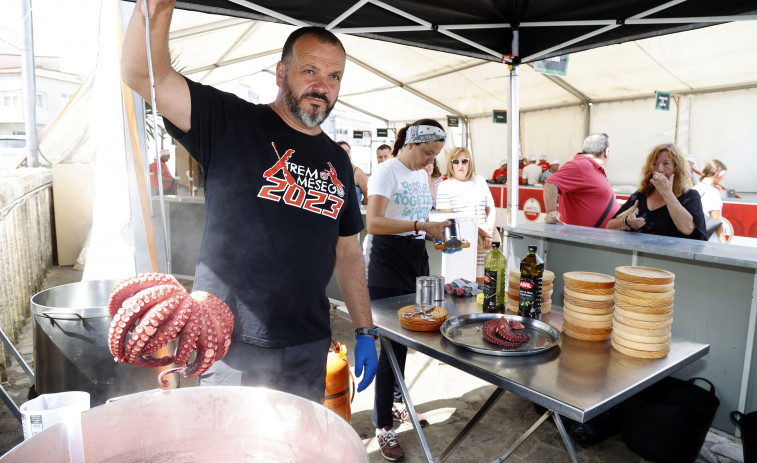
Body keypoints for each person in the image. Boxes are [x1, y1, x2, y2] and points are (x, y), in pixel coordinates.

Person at [122, 1, 377, 403]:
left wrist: (364, 330)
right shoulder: (230, 122)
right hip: (230, 345)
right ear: (281, 73)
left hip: (308, 345)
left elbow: (347, 252)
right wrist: (157, 11)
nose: (322, 86)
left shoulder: (339, 161)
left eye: (334, 76)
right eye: (310, 70)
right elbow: (143, 76)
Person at [365, 119, 449, 461]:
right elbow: (374, 222)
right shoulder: (387, 172)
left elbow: (417, 219)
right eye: (427, 153)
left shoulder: (419, 173)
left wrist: (434, 235)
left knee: (412, 336)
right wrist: (420, 225)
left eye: (435, 156)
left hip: (415, 258)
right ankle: (382, 425)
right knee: (391, 346)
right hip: (386, 264)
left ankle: (398, 403)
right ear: (411, 144)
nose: (430, 161)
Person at [606, 143, 707, 240]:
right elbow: (609, 226)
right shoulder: (642, 194)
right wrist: (627, 222)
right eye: (655, 164)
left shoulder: (690, 196)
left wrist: (667, 193)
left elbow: (688, 228)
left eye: (666, 164)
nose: (660, 169)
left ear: (677, 168)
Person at [436, 146, 497, 282]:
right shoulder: (444, 185)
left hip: (485, 239)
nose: (460, 165)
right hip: (460, 241)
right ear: (450, 163)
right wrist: (479, 229)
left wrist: (489, 231)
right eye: (455, 161)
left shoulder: (480, 180)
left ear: (470, 163)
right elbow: (449, 218)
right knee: (462, 282)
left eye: (464, 161)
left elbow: (491, 208)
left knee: (486, 281)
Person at [544, 133, 620, 228]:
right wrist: (551, 212)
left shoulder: (591, 167)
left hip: (595, 237)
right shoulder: (581, 165)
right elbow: (551, 182)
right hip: (582, 238)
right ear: (606, 152)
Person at [693, 159, 728, 243]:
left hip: (697, 235)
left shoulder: (695, 188)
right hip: (710, 239)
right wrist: (723, 241)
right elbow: (716, 219)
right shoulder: (712, 192)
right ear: (718, 173)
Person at [339, 141, 369, 205]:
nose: (345, 154)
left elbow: (368, 197)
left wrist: (358, 208)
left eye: (347, 151)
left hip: (353, 213)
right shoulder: (331, 172)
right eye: (341, 151)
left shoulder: (357, 172)